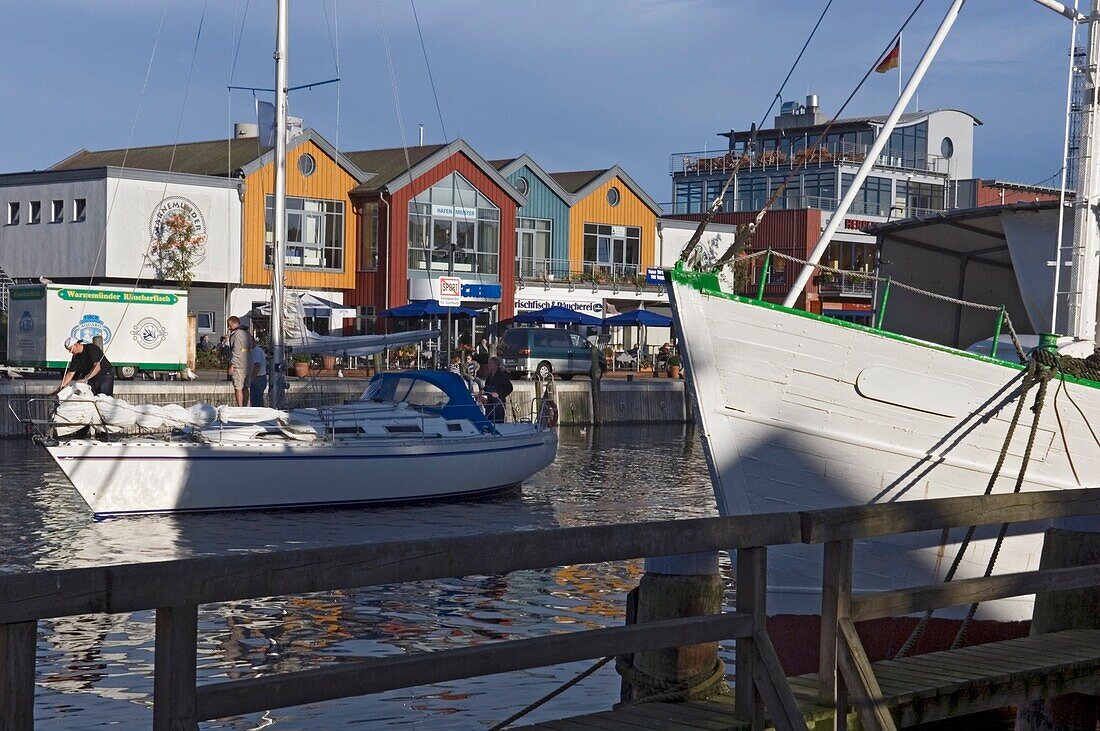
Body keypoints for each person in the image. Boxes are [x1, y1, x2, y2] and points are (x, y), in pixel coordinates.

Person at [226, 316, 252, 407]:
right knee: (246, 387)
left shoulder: (236, 334)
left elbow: (236, 350)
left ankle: (240, 408)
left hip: (239, 365)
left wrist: (232, 365)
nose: (228, 328)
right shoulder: (247, 333)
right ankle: (245, 406)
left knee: (238, 388)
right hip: (248, 363)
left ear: (234, 323)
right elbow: (249, 348)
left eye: (229, 325)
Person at [481, 356, 513, 424]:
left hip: (498, 403)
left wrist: (499, 394)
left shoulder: (502, 375)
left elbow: (510, 388)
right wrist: (482, 391)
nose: (488, 365)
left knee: (498, 422)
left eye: (490, 363)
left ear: (495, 365)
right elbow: (487, 387)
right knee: (489, 421)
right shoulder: (489, 376)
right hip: (490, 403)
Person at [249, 340, 268, 407]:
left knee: (256, 401)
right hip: (261, 377)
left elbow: (257, 366)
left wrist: (251, 378)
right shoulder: (258, 350)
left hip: (258, 378)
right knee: (257, 400)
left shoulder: (256, 351)